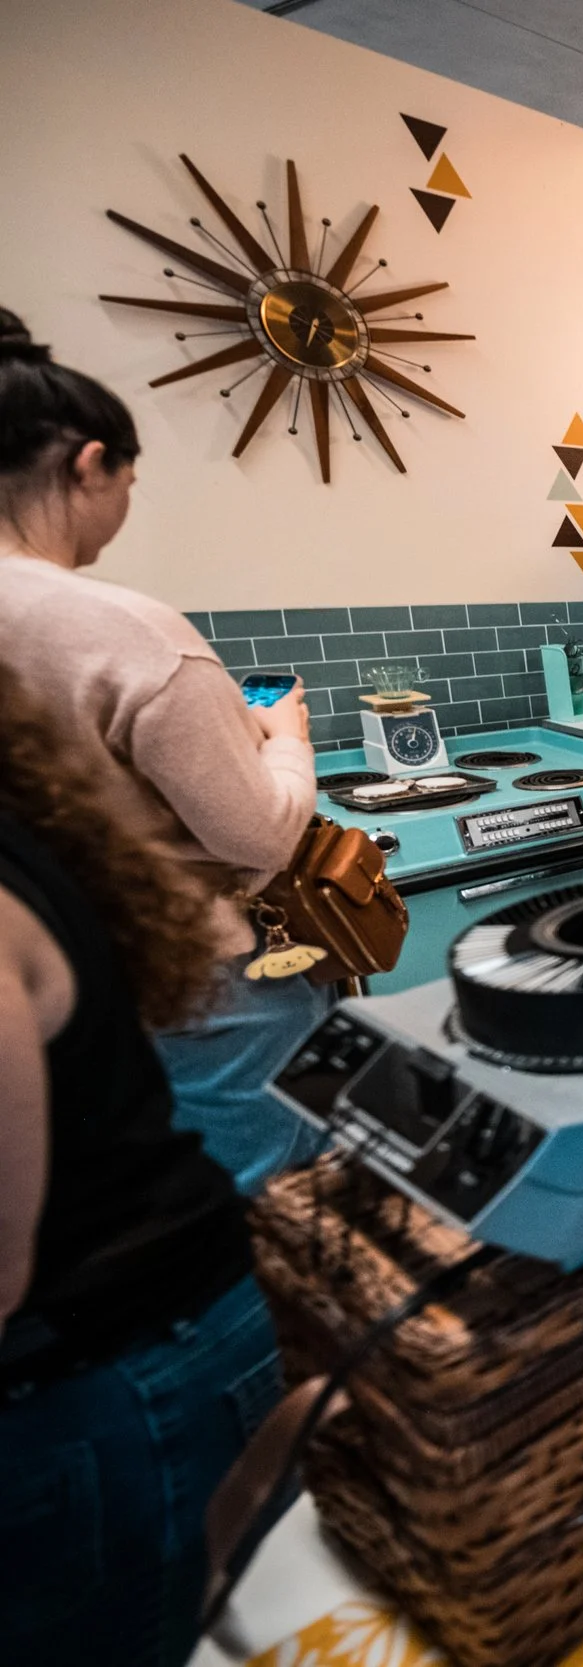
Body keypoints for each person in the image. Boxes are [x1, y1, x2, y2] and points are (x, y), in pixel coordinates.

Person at [0, 655, 285, 1666]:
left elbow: (258, 832)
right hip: (169, 1311)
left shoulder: (141, 649)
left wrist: (287, 746)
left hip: (119, 1363)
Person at [0, 311, 320, 1196]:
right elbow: (256, 835)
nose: (123, 508)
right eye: (129, 481)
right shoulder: (127, 632)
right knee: (277, 1202)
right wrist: (287, 745)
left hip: (53, 988)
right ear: (89, 464)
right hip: (196, 979)